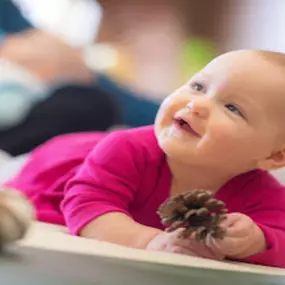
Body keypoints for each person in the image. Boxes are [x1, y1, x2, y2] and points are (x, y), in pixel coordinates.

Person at [5, 50, 285, 268]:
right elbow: (88, 208)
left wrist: (257, 241)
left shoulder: (263, 195)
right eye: (198, 86)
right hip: (55, 169)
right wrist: (151, 241)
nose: (196, 104)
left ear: (274, 156)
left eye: (233, 108)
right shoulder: (125, 148)